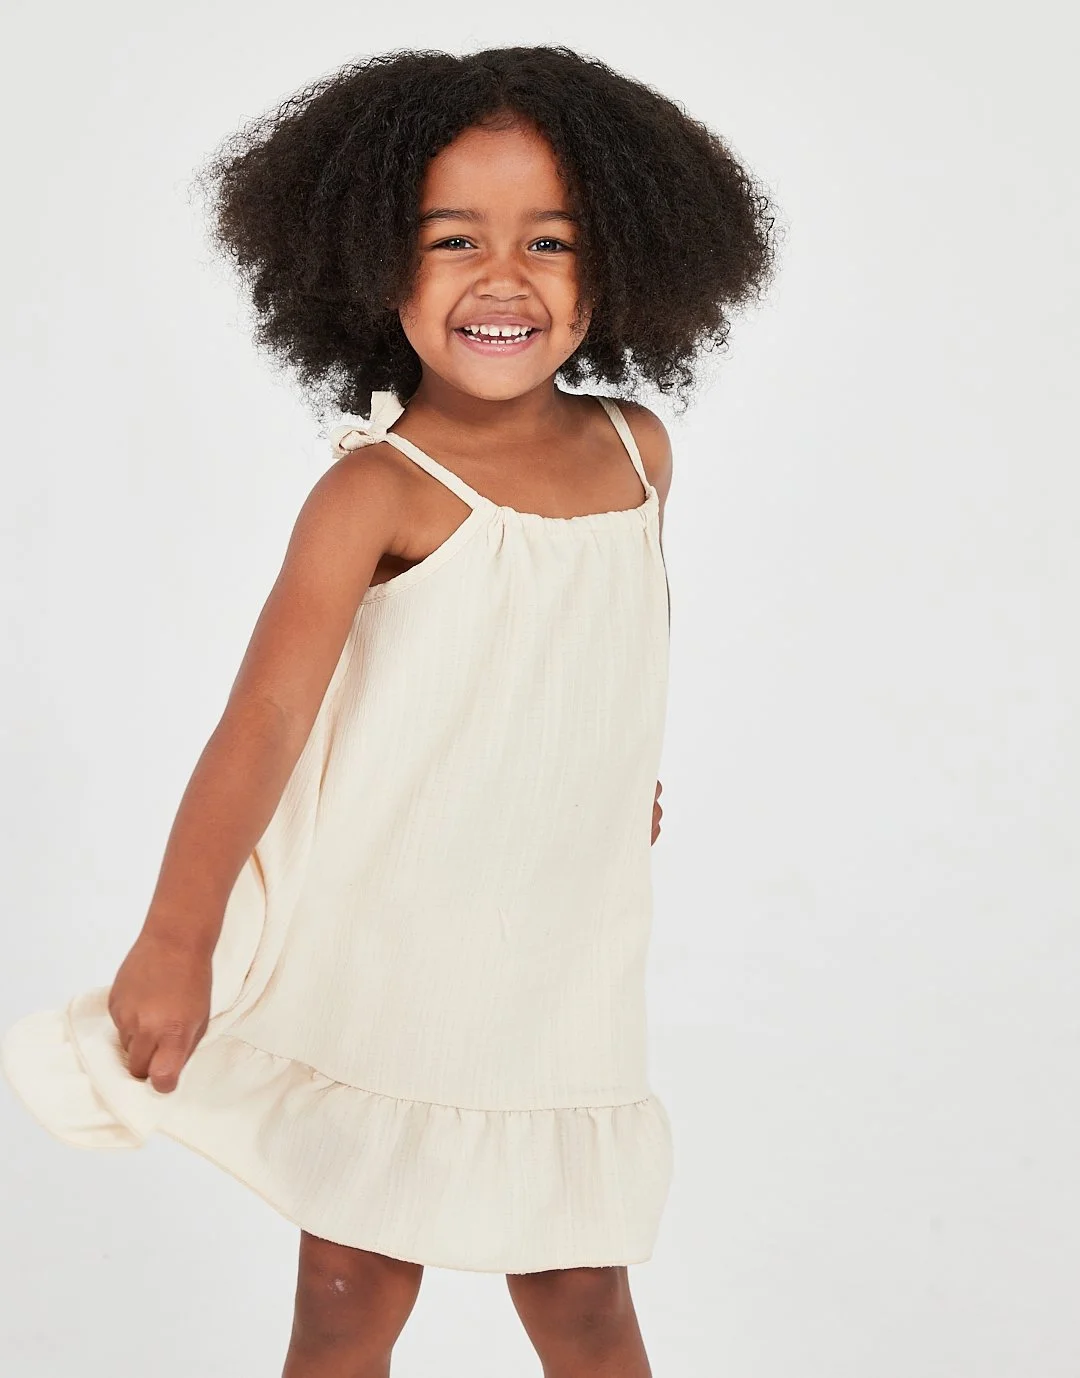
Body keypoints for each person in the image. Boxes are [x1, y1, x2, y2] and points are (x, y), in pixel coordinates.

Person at [1, 44, 779, 1378]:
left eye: (550, 238)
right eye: (451, 239)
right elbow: (259, 728)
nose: (503, 278)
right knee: (350, 1289)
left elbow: (615, 630)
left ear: (624, 258)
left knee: (584, 1290)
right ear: (373, 265)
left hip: (557, 957)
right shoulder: (378, 494)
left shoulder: (641, 451)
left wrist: (606, 771)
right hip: (394, 945)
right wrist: (176, 939)